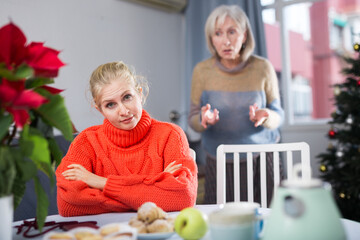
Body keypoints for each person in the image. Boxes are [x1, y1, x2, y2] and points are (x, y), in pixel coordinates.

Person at [56, 61, 198, 217]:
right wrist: (154, 185)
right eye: (110, 105)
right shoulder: (86, 142)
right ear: (100, 110)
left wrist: (101, 182)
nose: (123, 111)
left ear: (140, 93)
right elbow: (67, 205)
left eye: (127, 97)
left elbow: (184, 197)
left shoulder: (171, 135)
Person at [188, 5, 284, 204]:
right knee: (223, 222)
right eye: (218, 33)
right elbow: (193, 119)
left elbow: (278, 114)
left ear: (245, 35)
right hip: (220, 159)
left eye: (232, 31)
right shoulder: (202, 71)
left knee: (269, 219)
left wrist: (266, 115)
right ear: (211, 39)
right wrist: (203, 119)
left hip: (262, 158)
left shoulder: (263, 68)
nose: (226, 40)